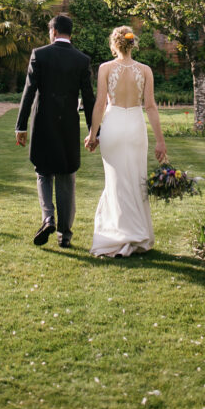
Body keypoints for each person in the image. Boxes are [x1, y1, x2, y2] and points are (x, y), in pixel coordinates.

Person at [86, 25, 167, 257]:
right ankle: (137, 235)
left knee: (115, 181)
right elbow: (150, 107)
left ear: (114, 44)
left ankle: (117, 234)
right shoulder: (145, 70)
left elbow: (100, 104)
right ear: (134, 44)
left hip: (112, 126)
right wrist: (160, 141)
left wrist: (93, 135)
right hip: (134, 127)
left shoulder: (105, 68)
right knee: (136, 180)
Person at [15, 13, 95, 248]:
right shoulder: (82, 60)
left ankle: (48, 216)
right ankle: (64, 235)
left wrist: (21, 126)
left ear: (53, 32)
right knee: (66, 176)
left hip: (42, 123)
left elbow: (28, 92)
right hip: (68, 125)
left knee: (43, 171)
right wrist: (93, 131)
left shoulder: (40, 54)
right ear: (71, 33)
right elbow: (89, 98)